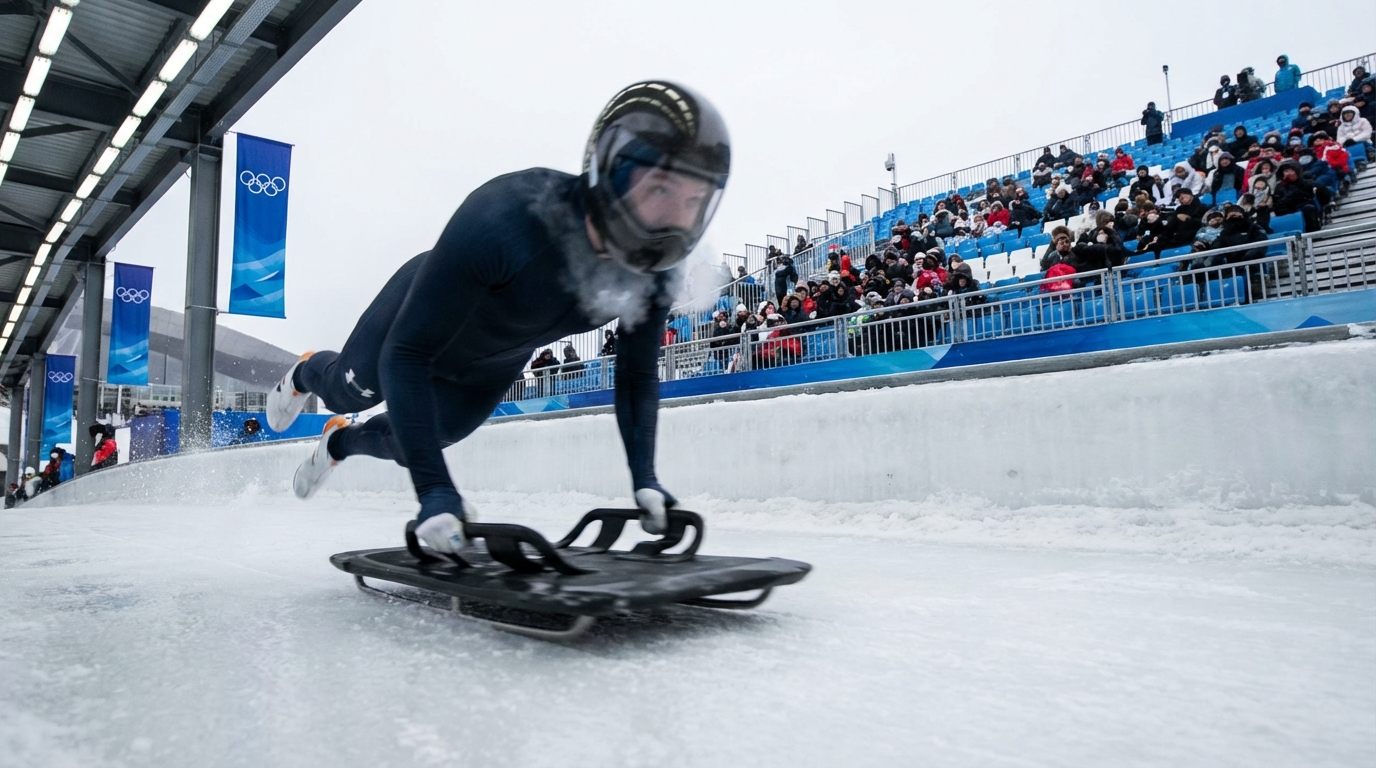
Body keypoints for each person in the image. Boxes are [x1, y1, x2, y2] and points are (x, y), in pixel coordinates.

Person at [265, 81, 731, 549]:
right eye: (661, 189)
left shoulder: (657, 274)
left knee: (418, 443)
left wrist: (645, 477)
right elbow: (406, 354)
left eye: (693, 202)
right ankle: (306, 372)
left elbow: (634, 374)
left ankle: (338, 445)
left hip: (492, 365)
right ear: (610, 167)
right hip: (413, 326)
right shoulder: (507, 216)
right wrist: (436, 492)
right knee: (349, 395)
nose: (673, 218)